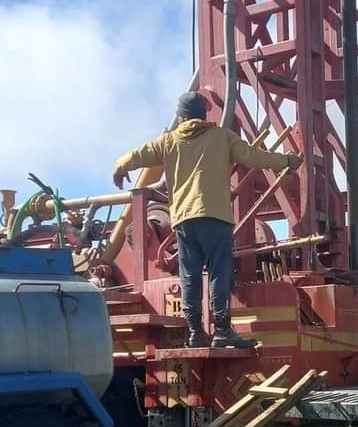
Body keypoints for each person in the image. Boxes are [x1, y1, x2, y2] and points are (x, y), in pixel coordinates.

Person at [112, 91, 302, 349]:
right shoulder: (222, 138)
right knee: (219, 271)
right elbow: (254, 156)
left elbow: (137, 155)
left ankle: (195, 332)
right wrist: (286, 161)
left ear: (180, 116)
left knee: (189, 274)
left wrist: (120, 167)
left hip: (184, 219)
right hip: (215, 217)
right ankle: (222, 330)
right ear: (203, 115)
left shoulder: (168, 142)